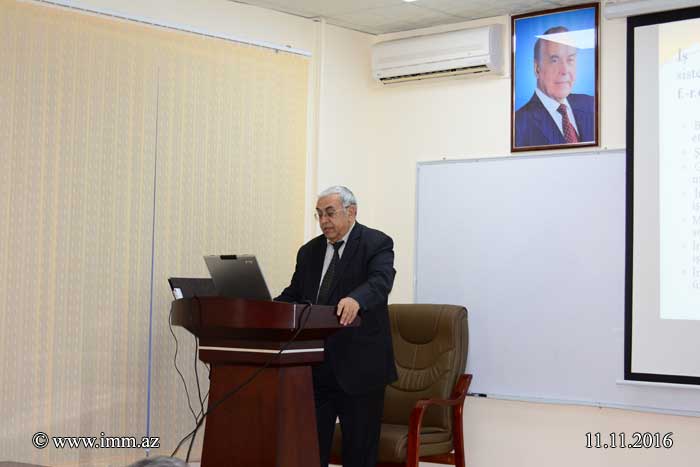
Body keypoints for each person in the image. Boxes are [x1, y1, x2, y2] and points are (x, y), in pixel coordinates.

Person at [275, 185, 397, 467]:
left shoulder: (376, 243)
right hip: (316, 367)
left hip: (360, 368)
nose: (323, 221)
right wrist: (267, 308)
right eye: (319, 214)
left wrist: (357, 299)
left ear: (351, 212)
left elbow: (380, 281)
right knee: (310, 451)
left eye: (330, 213)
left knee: (359, 455)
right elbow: (295, 294)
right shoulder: (309, 252)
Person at [514, 26, 595, 147]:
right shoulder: (519, 125)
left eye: (570, 60)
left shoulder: (592, 105)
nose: (564, 70)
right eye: (554, 60)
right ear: (537, 68)